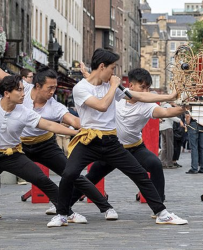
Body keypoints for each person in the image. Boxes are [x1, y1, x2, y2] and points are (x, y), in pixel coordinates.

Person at [47, 49, 188, 227]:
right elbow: (101, 106)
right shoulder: (81, 88)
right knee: (70, 174)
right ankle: (62, 214)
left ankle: (162, 213)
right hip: (88, 140)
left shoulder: (111, 86)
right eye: (112, 68)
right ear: (102, 66)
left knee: (140, 174)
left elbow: (138, 96)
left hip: (111, 142)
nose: (114, 73)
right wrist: (114, 86)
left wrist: (169, 96)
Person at [69, 67, 185, 204]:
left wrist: (185, 106)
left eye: (148, 88)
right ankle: (65, 205)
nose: (146, 92)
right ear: (131, 86)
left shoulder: (147, 105)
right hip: (112, 148)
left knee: (154, 164)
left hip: (134, 148)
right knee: (92, 175)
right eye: (142, 87)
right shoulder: (116, 96)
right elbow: (99, 84)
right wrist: (90, 74)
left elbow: (166, 113)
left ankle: (159, 205)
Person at [20, 65, 117, 222]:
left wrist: (92, 126)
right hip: (20, 146)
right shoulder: (22, 90)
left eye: (55, 88)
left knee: (73, 175)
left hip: (46, 146)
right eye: (49, 88)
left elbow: (72, 120)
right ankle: (66, 211)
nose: (52, 92)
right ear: (37, 86)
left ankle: (106, 207)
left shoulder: (55, 106)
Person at [0, 75, 77, 219]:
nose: (24, 94)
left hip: (13, 155)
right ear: (6, 93)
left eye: (23, 90)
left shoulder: (24, 112)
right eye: (19, 90)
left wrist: (76, 132)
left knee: (41, 179)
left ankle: (67, 213)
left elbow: (49, 125)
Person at [159, 101, 183, 168]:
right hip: (168, 127)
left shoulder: (162, 106)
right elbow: (170, 115)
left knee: (164, 146)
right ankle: (169, 163)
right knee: (170, 146)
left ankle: (163, 162)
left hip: (162, 127)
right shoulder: (168, 106)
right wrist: (179, 121)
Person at [185, 108, 203, 174]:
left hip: (193, 124)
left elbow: (188, 116)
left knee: (194, 147)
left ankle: (194, 168)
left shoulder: (191, 106)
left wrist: (187, 124)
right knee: (202, 147)